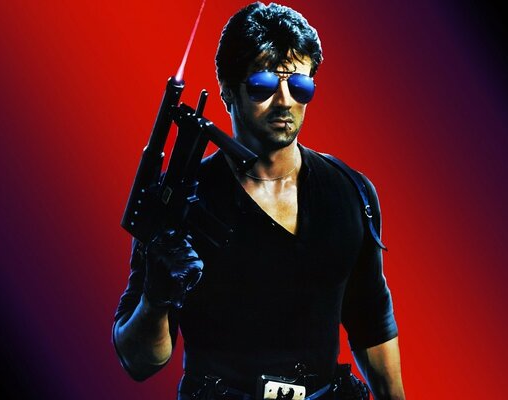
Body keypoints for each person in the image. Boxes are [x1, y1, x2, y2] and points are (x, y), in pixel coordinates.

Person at [113, 2, 405, 399]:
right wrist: (156, 298)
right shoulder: (178, 200)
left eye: (300, 86)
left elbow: (372, 326)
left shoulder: (350, 192)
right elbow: (138, 360)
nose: (284, 101)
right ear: (228, 90)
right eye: (263, 86)